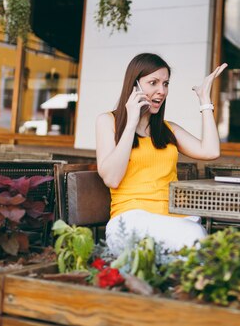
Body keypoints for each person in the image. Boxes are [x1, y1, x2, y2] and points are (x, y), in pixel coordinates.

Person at [96, 53, 227, 252]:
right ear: (134, 86)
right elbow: (112, 179)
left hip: (174, 220)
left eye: (165, 84)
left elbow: (210, 151)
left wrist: (205, 100)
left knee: (199, 241)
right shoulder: (107, 122)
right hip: (129, 222)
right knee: (195, 239)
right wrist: (131, 122)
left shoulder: (167, 130)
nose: (161, 91)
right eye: (153, 83)